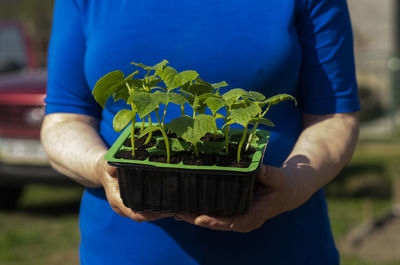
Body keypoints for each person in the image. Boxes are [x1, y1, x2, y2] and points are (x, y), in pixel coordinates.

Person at [40, 0, 360, 264]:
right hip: (123, 251)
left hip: (282, 248)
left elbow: (334, 117)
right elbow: (65, 120)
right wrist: (101, 166)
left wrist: (292, 183)